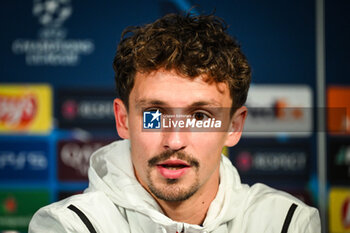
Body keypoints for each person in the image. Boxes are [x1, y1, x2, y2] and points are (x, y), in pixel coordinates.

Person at [29, 13, 320, 233]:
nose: (175, 140)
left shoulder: (287, 223)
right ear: (123, 120)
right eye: (154, 114)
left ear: (234, 126)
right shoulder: (69, 226)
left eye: (200, 116)